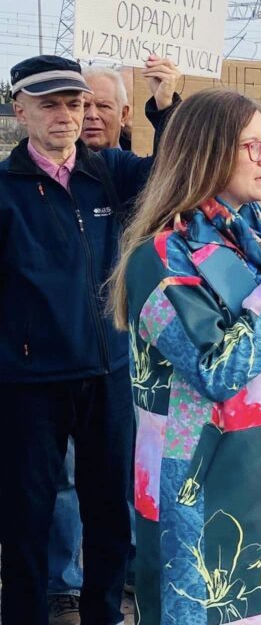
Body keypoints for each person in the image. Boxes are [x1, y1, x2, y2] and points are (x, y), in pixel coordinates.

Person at [108, 88, 261, 624]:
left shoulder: (253, 240)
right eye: (253, 146)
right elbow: (216, 368)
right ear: (206, 152)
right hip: (202, 485)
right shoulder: (159, 257)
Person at [0, 54, 175, 625]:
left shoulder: (109, 173)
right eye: (50, 104)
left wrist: (165, 108)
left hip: (108, 373)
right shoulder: (6, 190)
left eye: (74, 103)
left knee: (109, 519)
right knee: (25, 522)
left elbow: (175, 174)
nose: (66, 116)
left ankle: (105, 616)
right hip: (30, 384)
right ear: (20, 109)